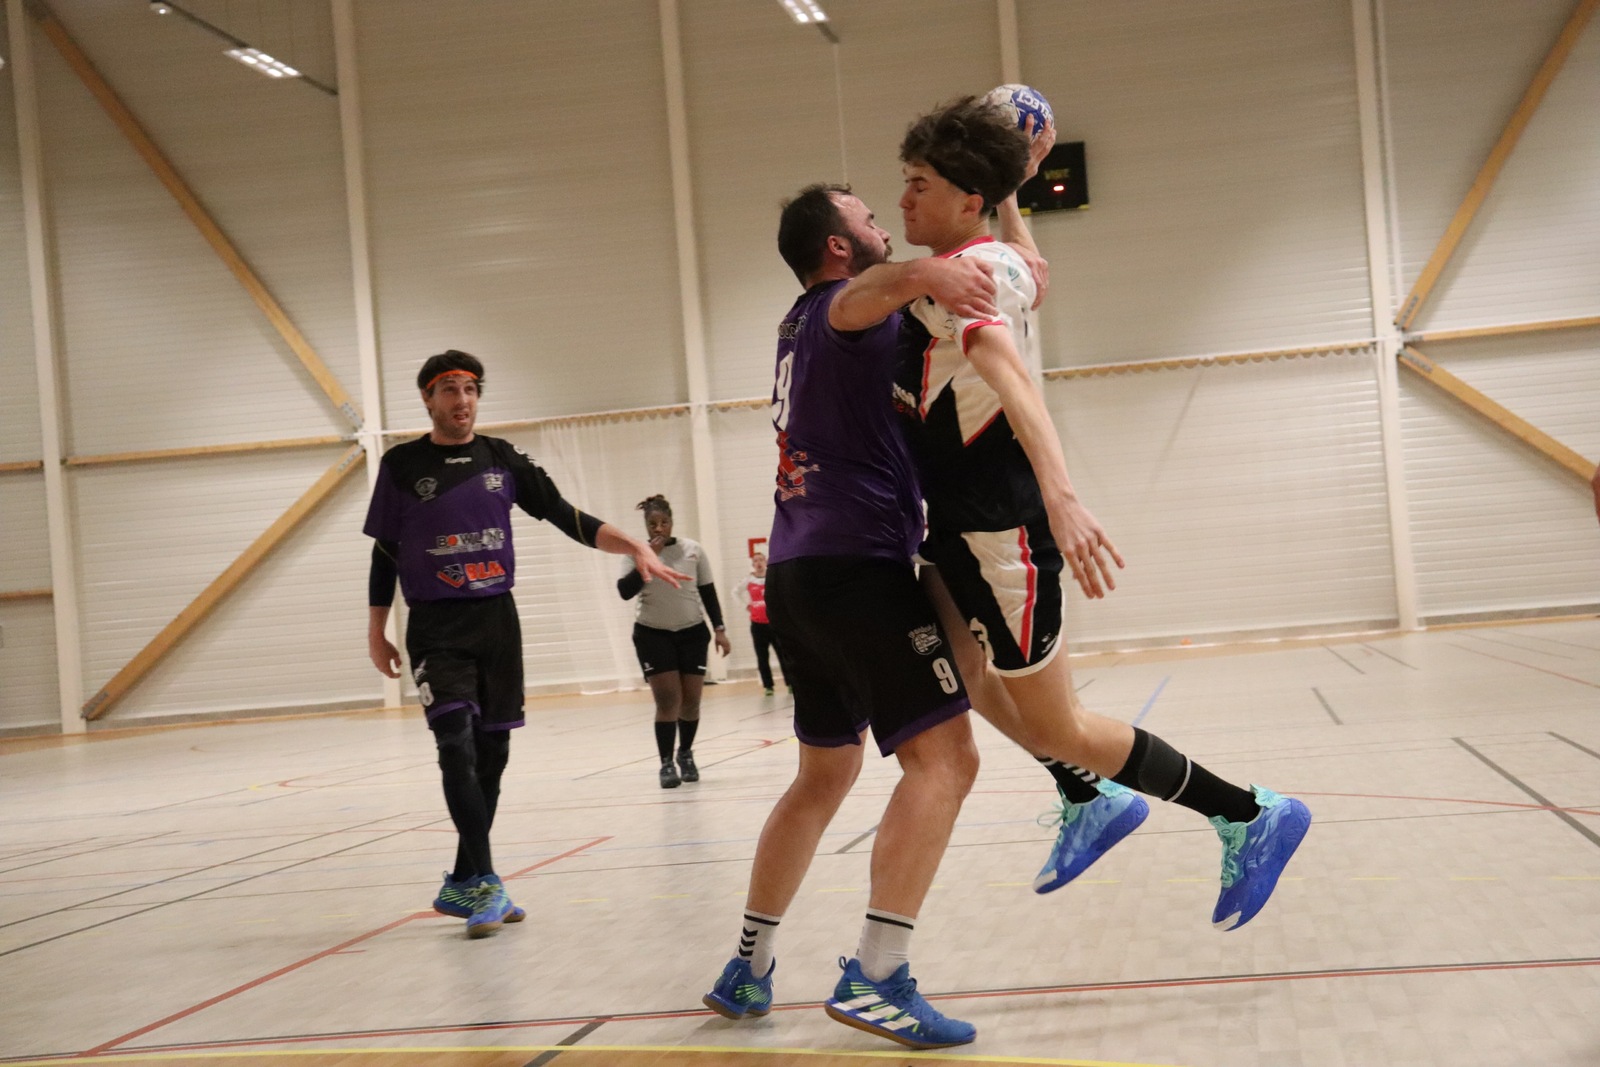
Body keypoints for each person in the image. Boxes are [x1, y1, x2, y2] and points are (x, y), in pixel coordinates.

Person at [893, 97, 1312, 930]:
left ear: (968, 200)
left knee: (1061, 725)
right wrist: (1014, 184)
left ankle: (1248, 812)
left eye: (920, 184)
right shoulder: (980, 260)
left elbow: (1008, 375)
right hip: (949, 525)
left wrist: (1062, 494)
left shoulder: (974, 279)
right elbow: (1030, 266)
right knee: (962, 679)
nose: (903, 198)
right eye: (903, 181)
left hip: (999, 530)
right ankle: (1088, 798)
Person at [701, 184, 1000, 1049]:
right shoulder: (843, 303)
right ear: (837, 246)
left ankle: (748, 964)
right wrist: (942, 268)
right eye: (867, 218)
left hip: (798, 574)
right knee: (947, 760)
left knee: (823, 775)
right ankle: (876, 973)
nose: (881, 226)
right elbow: (887, 284)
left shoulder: (799, 324)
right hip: (854, 566)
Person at [365, 350, 686, 938]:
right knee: (454, 743)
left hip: (497, 621)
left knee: (493, 756)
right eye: (449, 389)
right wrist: (376, 627)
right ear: (428, 399)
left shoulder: (502, 458)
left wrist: (635, 547)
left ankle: (463, 880)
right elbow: (385, 551)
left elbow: (566, 516)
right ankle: (487, 882)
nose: (462, 400)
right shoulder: (402, 465)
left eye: (470, 389)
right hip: (436, 625)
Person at [617, 494, 731, 788]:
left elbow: (708, 592)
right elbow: (625, 591)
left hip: (692, 632)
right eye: (652, 524)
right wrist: (648, 559)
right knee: (668, 700)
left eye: (664, 522)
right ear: (646, 526)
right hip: (653, 634)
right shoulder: (634, 552)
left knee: (691, 701)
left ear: (671, 522)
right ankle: (666, 763)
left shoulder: (692, 550)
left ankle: (686, 753)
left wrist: (719, 629)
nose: (659, 528)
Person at [738, 549, 791, 695]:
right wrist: (746, 605)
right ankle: (768, 686)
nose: (758, 563)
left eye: (761, 560)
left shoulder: (772, 578)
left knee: (783, 654)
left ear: (765, 562)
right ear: (752, 564)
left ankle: (790, 683)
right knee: (762, 657)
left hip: (774, 623)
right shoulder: (748, 580)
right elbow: (735, 592)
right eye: (755, 561)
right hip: (757, 624)